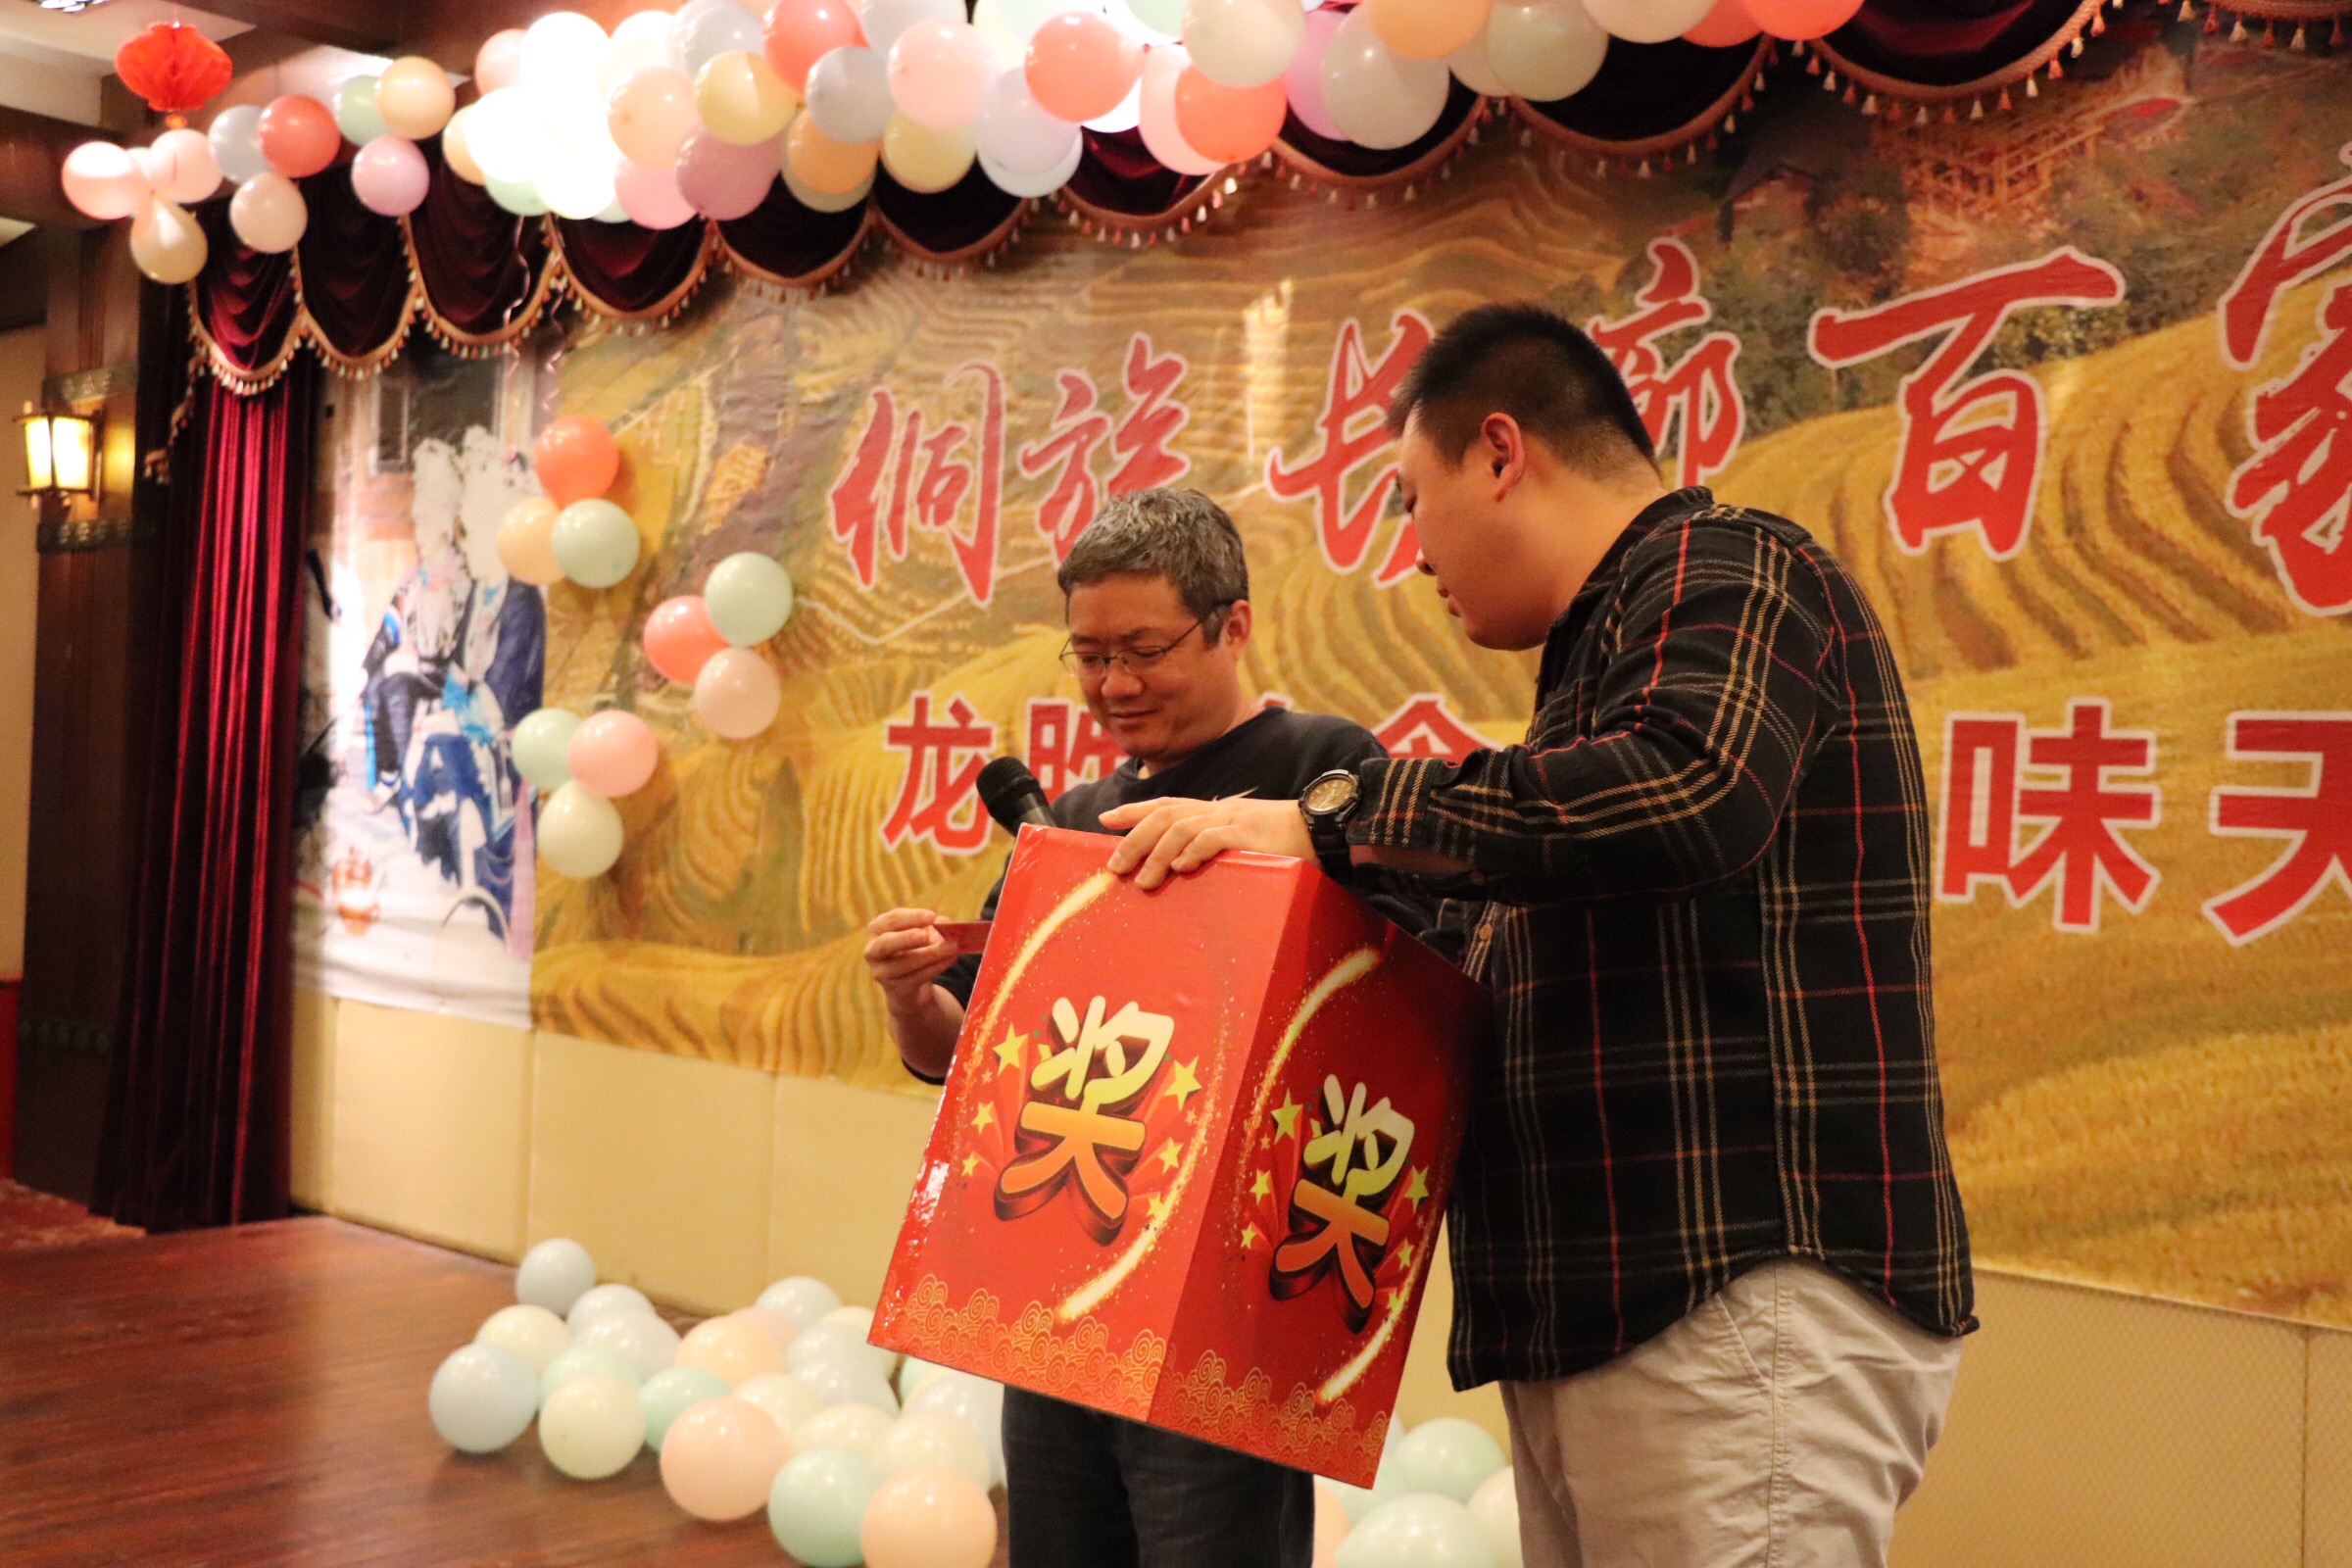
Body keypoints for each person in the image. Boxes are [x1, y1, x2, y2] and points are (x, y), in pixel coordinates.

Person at [1098, 306, 1975, 1568]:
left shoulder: (1730, 567)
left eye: (1412, 500)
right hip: (1617, 1312)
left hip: (1731, 1293)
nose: (1413, 553)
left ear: (1501, 453)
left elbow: (1687, 788)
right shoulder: (1597, 672)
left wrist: (1323, 818)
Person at [860, 487, 1403, 1568]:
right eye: (1090, 655)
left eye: (1144, 651)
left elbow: (1392, 996)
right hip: (1058, 1288)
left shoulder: (1321, 770)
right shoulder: (1070, 823)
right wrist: (911, 996)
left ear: (1232, 626)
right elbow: (964, 1051)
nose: (1113, 685)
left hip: (1225, 1318)